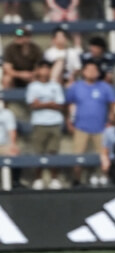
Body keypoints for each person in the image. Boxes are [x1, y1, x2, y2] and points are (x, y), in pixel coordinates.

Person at [66, 60, 115, 186]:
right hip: (80, 127)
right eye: (88, 69)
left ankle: (104, 178)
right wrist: (69, 121)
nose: (91, 72)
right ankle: (77, 181)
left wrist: (110, 121)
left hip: (101, 128)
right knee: (78, 156)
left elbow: (113, 105)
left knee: (103, 156)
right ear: (83, 71)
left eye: (94, 70)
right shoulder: (76, 87)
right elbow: (68, 104)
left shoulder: (105, 87)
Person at [26, 60, 66, 190]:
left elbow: (59, 104)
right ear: (37, 70)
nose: (44, 71)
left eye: (46, 68)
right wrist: (50, 104)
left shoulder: (55, 86)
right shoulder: (33, 87)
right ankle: (38, 179)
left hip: (54, 122)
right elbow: (33, 105)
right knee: (39, 152)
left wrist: (41, 104)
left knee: (53, 152)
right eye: (41, 68)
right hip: (39, 123)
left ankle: (54, 179)